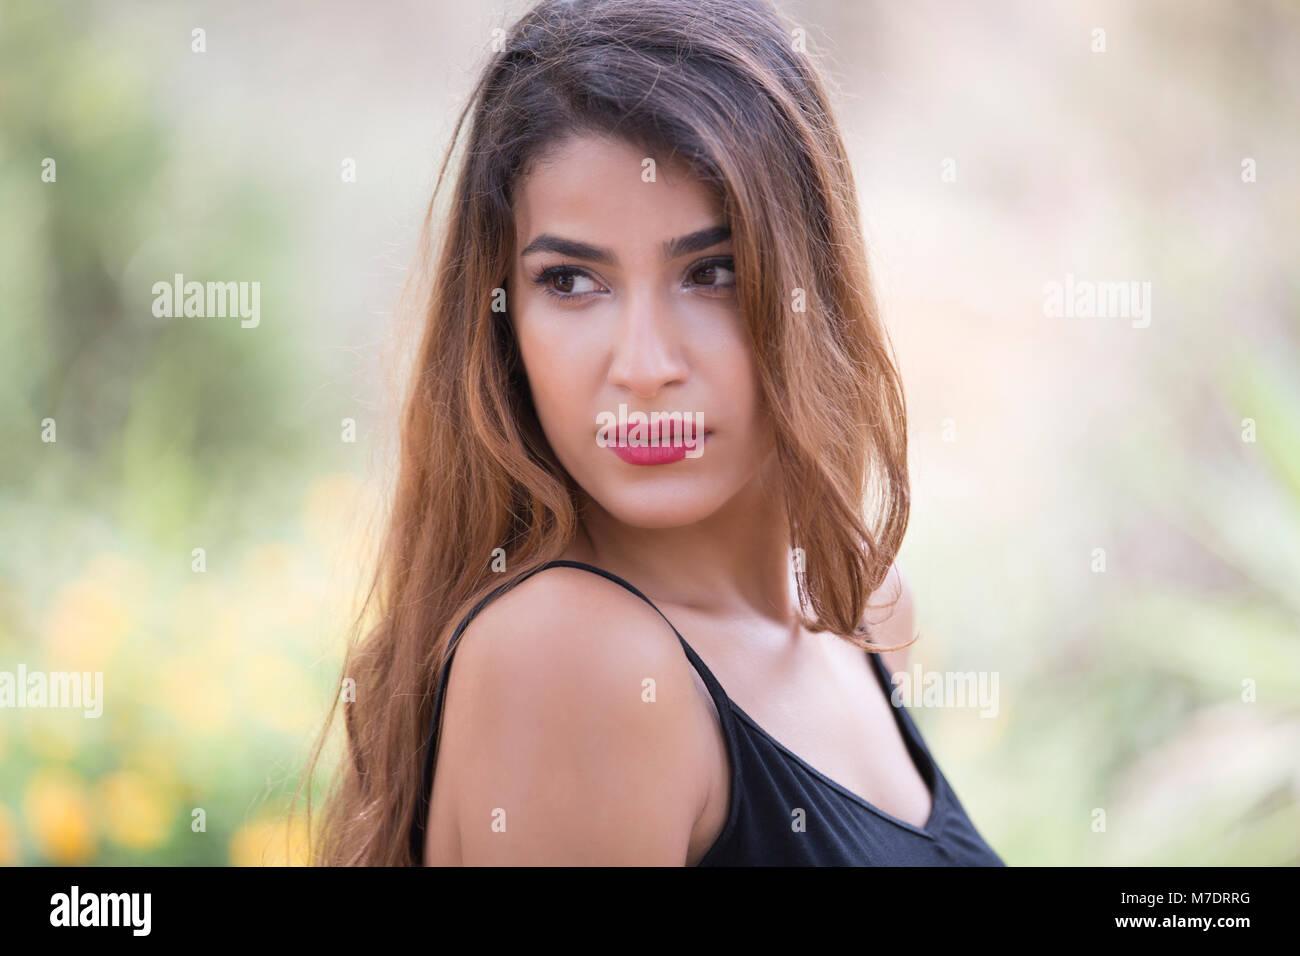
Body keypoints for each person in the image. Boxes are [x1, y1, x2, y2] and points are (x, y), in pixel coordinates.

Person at [302, 0, 1004, 867]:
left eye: (712, 272)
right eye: (570, 282)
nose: (642, 366)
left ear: (808, 287)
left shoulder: (862, 608)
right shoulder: (569, 661)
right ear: (502, 319)